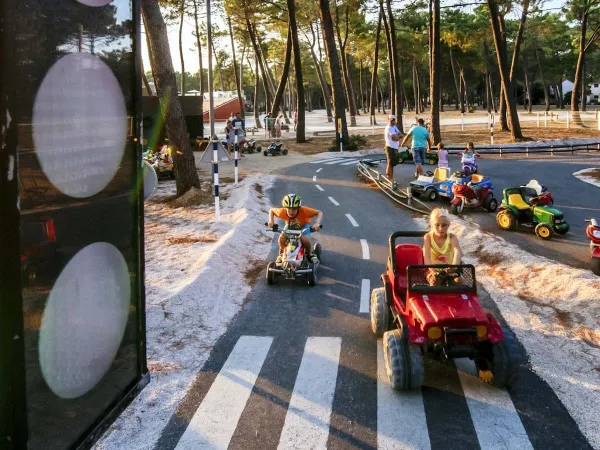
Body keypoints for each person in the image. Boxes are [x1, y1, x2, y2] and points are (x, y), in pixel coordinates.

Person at [267, 194, 323, 264]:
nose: (291, 211)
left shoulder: (304, 211)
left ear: (298, 208)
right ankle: (282, 254)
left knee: (305, 239)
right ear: (285, 207)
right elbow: (271, 211)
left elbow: (319, 212)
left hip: (303, 226)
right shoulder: (282, 212)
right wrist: (271, 221)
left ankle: (309, 254)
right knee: (282, 238)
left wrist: (317, 223)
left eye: (294, 209)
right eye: (289, 208)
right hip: (290, 225)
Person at [384, 114, 402, 185]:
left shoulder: (394, 127)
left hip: (395, 147)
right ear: (388, 120)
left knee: (393, 164)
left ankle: (391, 179)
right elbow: (394, 138)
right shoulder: (388, 128)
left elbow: (400, 134)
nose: (393, 121)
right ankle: (389, 179)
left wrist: (398, 136)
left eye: (393, 120)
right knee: (390, 163)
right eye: (391, 120)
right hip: (390, 147)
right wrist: (398, 137)